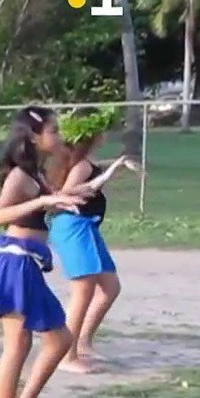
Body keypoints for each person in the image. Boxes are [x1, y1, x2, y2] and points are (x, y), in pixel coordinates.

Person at [0, 107, 87, 398]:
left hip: (26, 264)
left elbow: (43, 206)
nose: (58, 137)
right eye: (53, 131)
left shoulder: (36, 173)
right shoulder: (19, 176)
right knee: (17, 345)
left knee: (59, 339)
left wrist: (62, 199)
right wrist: (44, 199)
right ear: (33, 137)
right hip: (13, 262)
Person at [45, 110, 140, 372]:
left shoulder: (84, 160)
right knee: (83, 289)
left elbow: (91, 169)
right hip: (72, 226)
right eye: (102, 130)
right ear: (93, 135)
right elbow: (65, 193)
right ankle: (67, 356)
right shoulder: (83, 165)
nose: (106, 134)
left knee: (110, 286)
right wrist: (106, 176)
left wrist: (118, 163)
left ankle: (83, 342)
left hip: (86, 226)